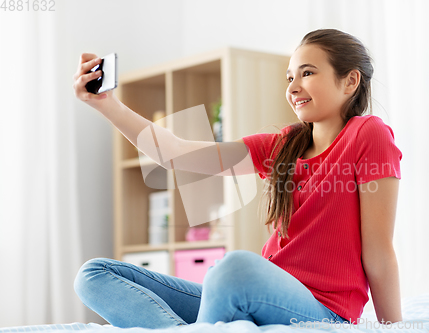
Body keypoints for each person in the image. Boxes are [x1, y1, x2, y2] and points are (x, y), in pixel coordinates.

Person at [72, 28, 403, 328]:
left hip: (322, 310)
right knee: (93, 274)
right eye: (289, 78)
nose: (293, 87)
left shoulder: (368, 135)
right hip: (254, 292)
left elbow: (378, 250)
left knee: (233, 268)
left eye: (307, 73)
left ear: (350, 81)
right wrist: (106, 104)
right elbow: (174, 154)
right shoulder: (284, 145)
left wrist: (395, 329)